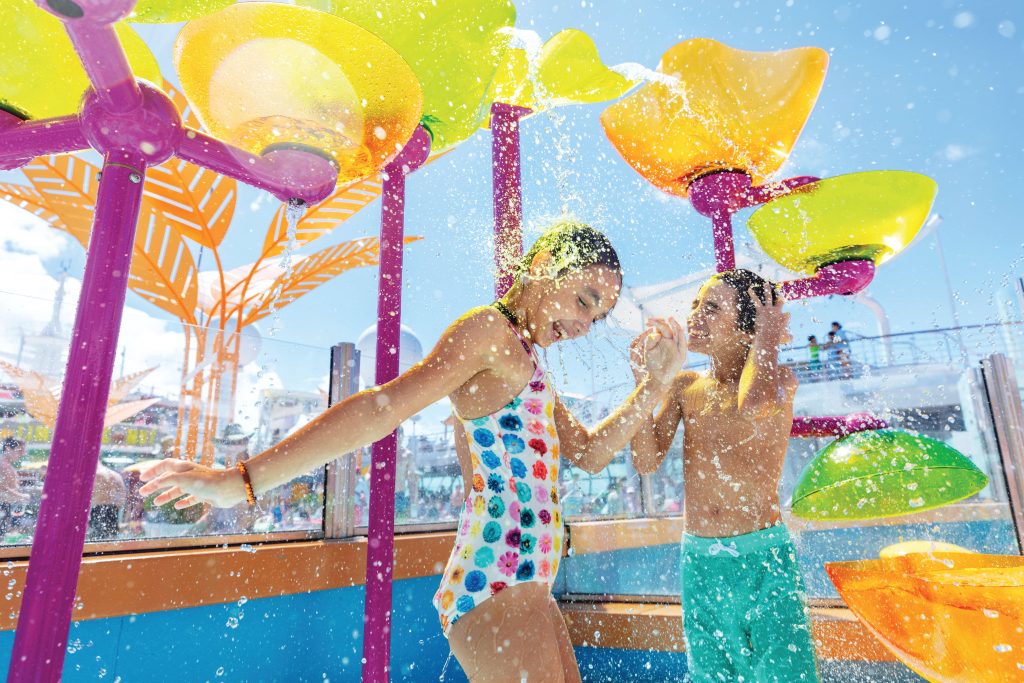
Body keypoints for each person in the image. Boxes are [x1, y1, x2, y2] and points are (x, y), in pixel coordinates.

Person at [139, 220, 686, 682]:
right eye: (584, 301)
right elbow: (381, 408)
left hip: (527, 580)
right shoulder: (489, 332)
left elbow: (588, 453)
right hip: (498, 575)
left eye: (597, 317)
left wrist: (654, 387)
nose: (585, 326)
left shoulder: (528, 360)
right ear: (544, 264)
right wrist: (240, 480)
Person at [631, 269, 819, 683]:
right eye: (697, 304)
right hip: (699, 561)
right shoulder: (684, 386)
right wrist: (647, 384)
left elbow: (753, 406)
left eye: (712, 308)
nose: (695, 314)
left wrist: (767, 336)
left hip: (763, 561)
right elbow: (646, 460)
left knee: (784, 674)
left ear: (750, 327)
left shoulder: (780, 381)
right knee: (711, 673)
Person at [88, 459, 127, 540]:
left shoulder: (94, 474)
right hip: (113, 509)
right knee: (111, 538)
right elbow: (122, 496)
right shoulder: (115, 475)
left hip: (97, 509)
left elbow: (88, 495)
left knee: (96, 539)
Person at [0, 437, 30, 538]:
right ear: (8, 448)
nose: (22, 454)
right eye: (20, 451)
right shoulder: (2, 465)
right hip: (3, 507)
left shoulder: (6, 465)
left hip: (6, 507)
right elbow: (1, 487)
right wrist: (22, 496)